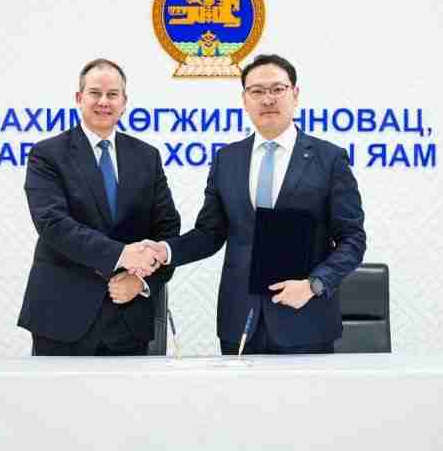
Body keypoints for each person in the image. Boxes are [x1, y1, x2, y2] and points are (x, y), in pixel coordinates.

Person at [141, 54, 366, 355]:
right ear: (244, 100)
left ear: (295, 94)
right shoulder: (227, 160)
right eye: (257, 91)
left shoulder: (329, 159)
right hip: (240, 321)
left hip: (305, 319)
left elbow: (353, 240)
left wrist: (314, 284)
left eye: (277, 89)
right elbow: (210, 233)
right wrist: (166, 251)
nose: (267, 99)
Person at [18, 59, 180, 356]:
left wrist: (141, 281)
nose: (104, 101)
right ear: (79, 98)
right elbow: (53, 224)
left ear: (124, 102)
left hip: (129, 316)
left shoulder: (147, 157)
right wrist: (122, 254)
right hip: (62, 316)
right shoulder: (47, 154)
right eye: (95, 93)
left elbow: (167, 231)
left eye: (112, 94)